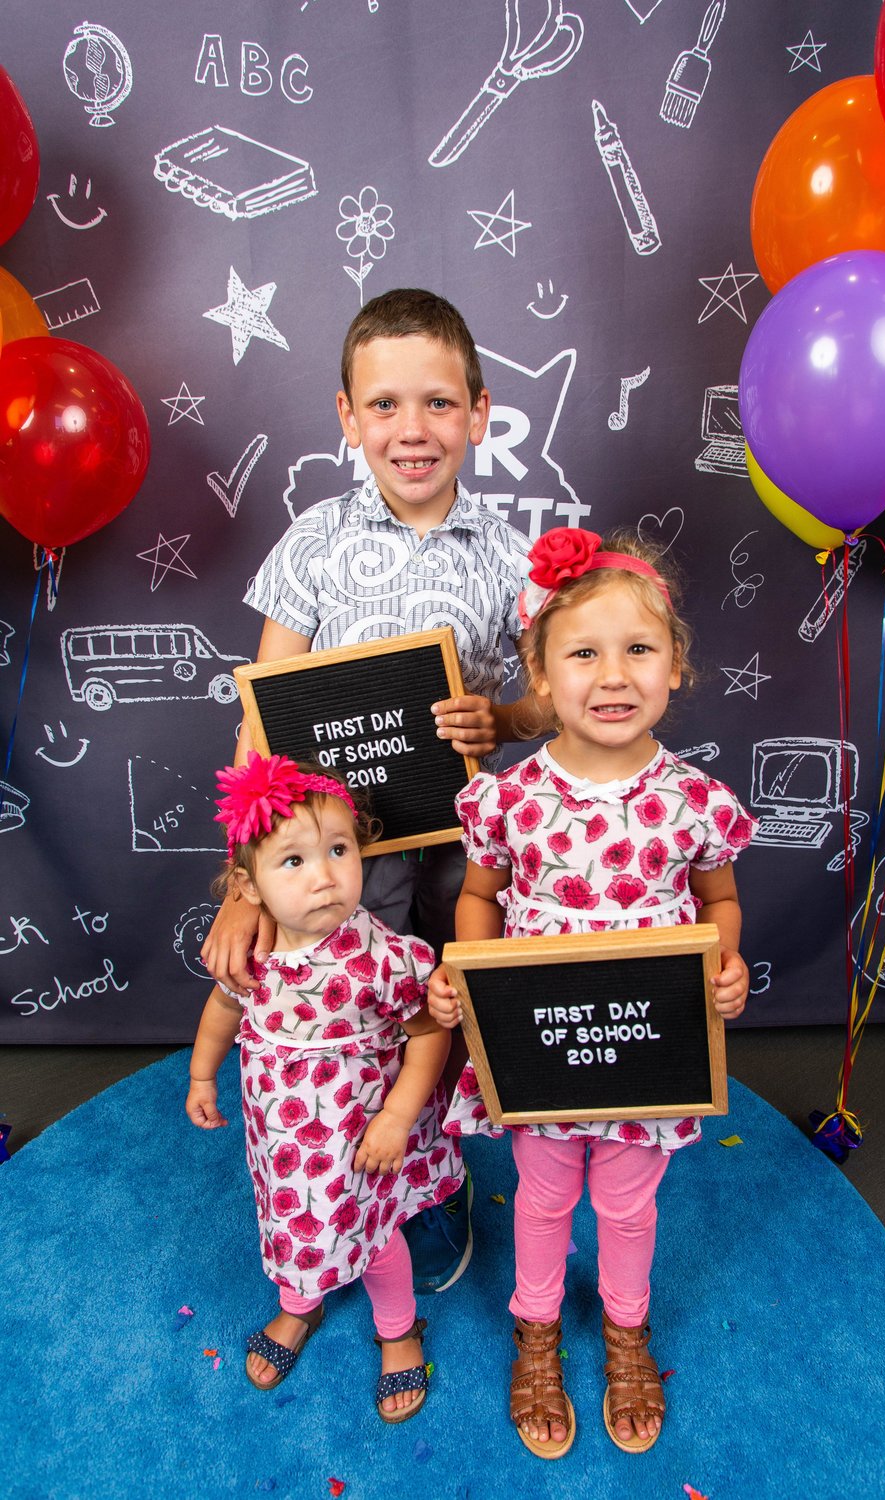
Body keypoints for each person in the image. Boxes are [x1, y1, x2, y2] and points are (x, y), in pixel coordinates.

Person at [200, 287, 534, 1291]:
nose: (411, 429)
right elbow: (259, 723)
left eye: (439, 403)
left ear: (478, 413)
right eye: (384, 404)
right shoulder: (312, 542)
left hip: (459, 843)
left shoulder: (508, 555)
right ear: (348, 418)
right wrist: (244, 884)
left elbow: (554, 696)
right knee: (354, 1011)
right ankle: (346, 1177)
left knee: (441, 1000)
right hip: (338, 857)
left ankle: (430, 1176)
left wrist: (502, 721)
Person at [428, 526, 757, 1459]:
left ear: (675, 666)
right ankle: (535, 1333)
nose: (613, 676)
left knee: (627, 1204)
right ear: (539, 674)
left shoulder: (693, 800)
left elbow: (719, 902)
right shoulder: (508, 799)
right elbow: (480, 898)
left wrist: (723, 966)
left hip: (649, 1053)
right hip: (540, 1053)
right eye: (583, 654)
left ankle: (625, 1332)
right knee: (540, 1197)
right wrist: (466, 978)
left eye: (638, 650)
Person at [186, 753, 461, 1421]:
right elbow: (223, 1007)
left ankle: (398, 1330)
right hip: (283, 1137)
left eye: (340, 850)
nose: (326, 876)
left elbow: (428, 1032)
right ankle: (298, 1304)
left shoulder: (381, 956)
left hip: (360, 1130)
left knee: (375, 1235)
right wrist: (201, 1074)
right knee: (289, 1217)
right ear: (247, 886)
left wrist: (397, 1117)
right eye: (294, 861)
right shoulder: (253, 954)